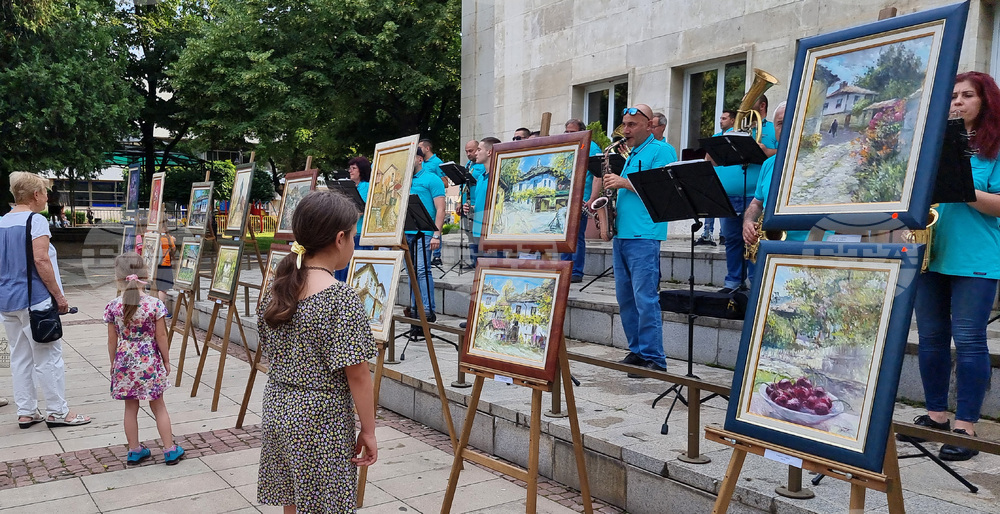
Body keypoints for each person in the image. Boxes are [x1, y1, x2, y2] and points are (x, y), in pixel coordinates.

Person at [257, 190, 377, 512]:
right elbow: (359, 375)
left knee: (293, 499)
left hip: (277, 406)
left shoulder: (279, 287)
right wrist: (368, 430)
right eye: (353, 236)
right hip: (320, 418)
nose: (354, 244)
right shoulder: (339, 298)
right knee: (327, 503)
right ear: (340, 239)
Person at [904, 72, 1000, 461]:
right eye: (953, 96)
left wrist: (963, 187)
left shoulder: (994, 148)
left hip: (975, 256)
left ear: (985, 102)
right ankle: (936, 416)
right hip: (931, 250)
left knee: (970, 340)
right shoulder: (933, 144)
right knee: (930, 337)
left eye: (967, 96)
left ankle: (966, 427)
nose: (957, 102)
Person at [1, 172, 91, 428]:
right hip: (34, 300)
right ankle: (57, 411)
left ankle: (26, 411)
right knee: (48, 356)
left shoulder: (2, 222)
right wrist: (59, 297)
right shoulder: (35, 221)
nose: (47, 197)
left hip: (8, 300)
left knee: (20, 357)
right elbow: (41, 260)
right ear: (35, 195)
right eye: (44, 192)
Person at [600, 104, 676, 377]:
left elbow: (662, 186)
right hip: (623, 233)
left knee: (645, 298)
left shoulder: (662, 150)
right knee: (626, 298)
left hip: (645, 234)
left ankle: (655, 357)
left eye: (632, 125)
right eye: (625, 125)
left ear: (649, 124)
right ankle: (638, 351)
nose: (626, 130)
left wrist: (622, 182)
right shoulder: (631, 153)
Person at [105, 253, 183, 465]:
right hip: (149, 360)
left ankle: (134, 450)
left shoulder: (113, 306)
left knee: (130, 408)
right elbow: (161, 336)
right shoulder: (154, 305)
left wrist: (113, 362)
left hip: (124, 361)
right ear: (146, 275)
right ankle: (169, 449)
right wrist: (166, 360)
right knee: (158, 406)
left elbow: (112, 339)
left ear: (118, 278)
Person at [717, 99, 778, 294]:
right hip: (729, 195)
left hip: (754, 196)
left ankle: (755, 282)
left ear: (762, 106)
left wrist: (767, 151)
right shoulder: (734, 131)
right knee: (732, 239)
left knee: (753, 240)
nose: (745, 107)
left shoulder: (772, 128)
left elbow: (785, 150)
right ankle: (732, 281)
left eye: (751, 102)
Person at [405, 148, 446, 324]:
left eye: (410, 156)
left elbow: (441, 209)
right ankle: (415, 308)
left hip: (426, 233)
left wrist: (436, 234)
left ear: (419, 159)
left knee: (422, 270)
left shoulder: (432, 179)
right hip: (407, 233)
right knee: (411, 272)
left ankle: (428, 310)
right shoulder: (404, 181)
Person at [561, 118, 604, 282]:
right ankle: (565, 267)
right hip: (565, 199)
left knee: (576, 236)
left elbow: (597, 174)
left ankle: (576, 271)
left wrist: (592, 198)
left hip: (581, 199)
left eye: (573, 132)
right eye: (567, 132)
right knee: (565, 235)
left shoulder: (591, 147)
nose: (569, 135)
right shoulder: (567, 147)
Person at [698, 110, 738, 246]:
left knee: (725, 210)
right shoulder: (715, 136)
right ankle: (707, 234)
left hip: (728, 179)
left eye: (724, 118)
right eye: (720, 118)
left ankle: (723, 234)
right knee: (711, 207)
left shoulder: (735, 136)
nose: (721, 121)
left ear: (732, 120)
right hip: (715, 177)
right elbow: (707, 158)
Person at [334, 156, 372, 282]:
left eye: (354, 168)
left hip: (360, 233)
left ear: (362, 170)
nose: (350, 171)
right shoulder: (351, 187)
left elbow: (361, 209)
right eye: (350, 168)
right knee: (341, 268)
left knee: (355, 272)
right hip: (348, 233)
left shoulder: (367, 187)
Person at [418, 139, 446, 265]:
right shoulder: (422, 164)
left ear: (427, 148)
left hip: (433, 196)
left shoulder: (437, 162)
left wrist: (432, 183)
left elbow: (444, 182)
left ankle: (437, 255)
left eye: (420, 147)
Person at [154, 220, 176, 307]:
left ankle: (156, 307)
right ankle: (161, 309)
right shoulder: (168, 238)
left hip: (156, 266)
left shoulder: (154, 237)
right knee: (163, 288)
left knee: (157, 287)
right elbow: (173, 249)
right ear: (163, 228)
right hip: (165, 265)